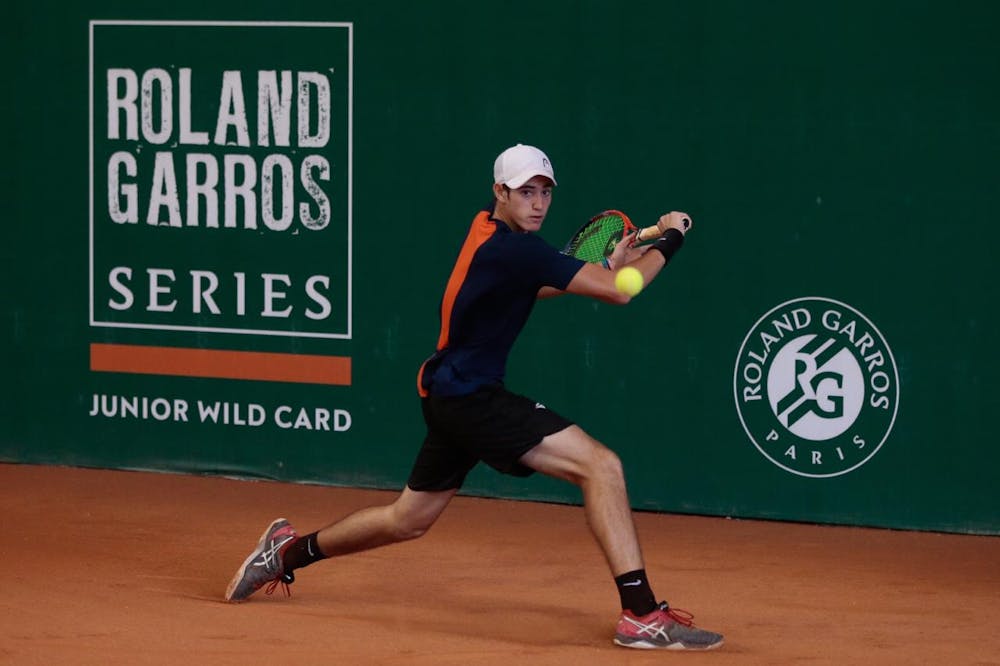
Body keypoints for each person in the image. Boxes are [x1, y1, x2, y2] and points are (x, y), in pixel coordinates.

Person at [224, 143, 724, 651]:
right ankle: (640, 613)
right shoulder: (518, 249)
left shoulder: (490, 233)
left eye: (545, 192)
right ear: (499, 192)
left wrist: (619, 263)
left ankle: (285, 554)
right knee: (601, 466)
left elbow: (548, 285)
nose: (538, 203)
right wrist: (674, 237)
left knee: (406, 520)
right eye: (525, 192)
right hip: (472, 399)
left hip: (449, 393)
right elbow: (622, 291)